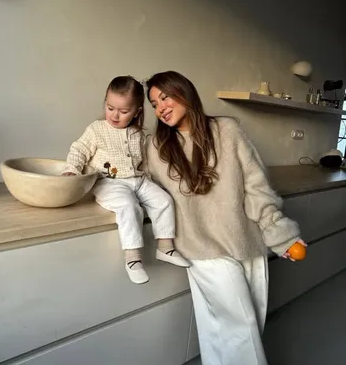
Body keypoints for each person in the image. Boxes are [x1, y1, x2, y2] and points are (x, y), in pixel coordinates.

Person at [145, 70, 307, 365]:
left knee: (242, 324)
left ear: (184, 92)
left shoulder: (227, 130)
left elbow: (256, 186)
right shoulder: (157, 148)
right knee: (241, 325)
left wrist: (280, 234)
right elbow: (140, 185)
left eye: (165, 98)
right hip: (201, 248)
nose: (160, 108)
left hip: (246, 240)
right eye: (154, 104)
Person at [62, 75, 190, 284]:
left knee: (164, 200)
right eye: (110, 108)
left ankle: (165, 247)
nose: (115, 115)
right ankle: (133, 258)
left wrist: (154, 179)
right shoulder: (97, 129)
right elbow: (79, 150)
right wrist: (72, 170)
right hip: (108, 182)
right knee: (128, 206)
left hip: (138, 180)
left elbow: (147, 161)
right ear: (106, 102)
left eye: (123, 111)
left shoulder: (138, 133)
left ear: (137, 112)